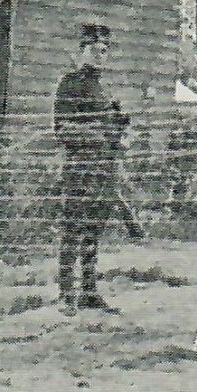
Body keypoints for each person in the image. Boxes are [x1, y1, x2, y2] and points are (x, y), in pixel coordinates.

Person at [53, 22, 128, 315]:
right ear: (81, 51)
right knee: (73, 228)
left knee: (95, 230)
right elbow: (63, 129)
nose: (100, 55)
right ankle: (66, 293)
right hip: (80, 168)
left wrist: (117, 124)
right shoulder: (69, 83)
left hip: (103, 170)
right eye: (94, 50)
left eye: (104, 51)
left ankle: (88, 290)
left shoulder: (101, 86)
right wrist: (102, 130)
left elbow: (107, 130)